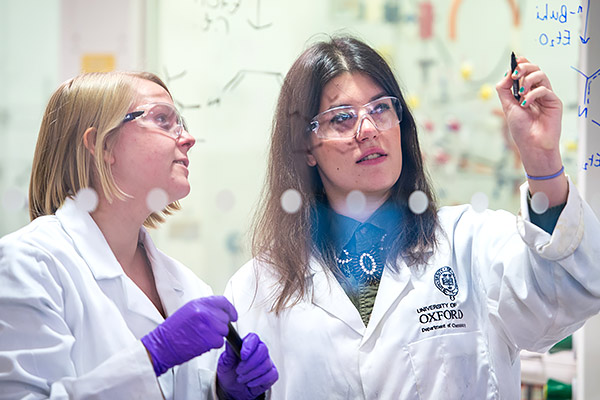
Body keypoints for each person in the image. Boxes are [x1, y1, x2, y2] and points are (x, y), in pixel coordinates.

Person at [224, 36, 600, 399]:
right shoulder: (258, 289)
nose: (368, 130)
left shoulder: (469, 242)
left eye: (380, 109)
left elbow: (567, 298)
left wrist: (543, 161)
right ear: (306, 146)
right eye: (342, 118)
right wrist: (228, 394)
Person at [0, 71, 278, 399]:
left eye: (181, 123)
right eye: (162, 119)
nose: (187, 138)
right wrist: (152, 356)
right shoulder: (29, 263)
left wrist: (222, 392)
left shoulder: (186, 285)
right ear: (103, 145)